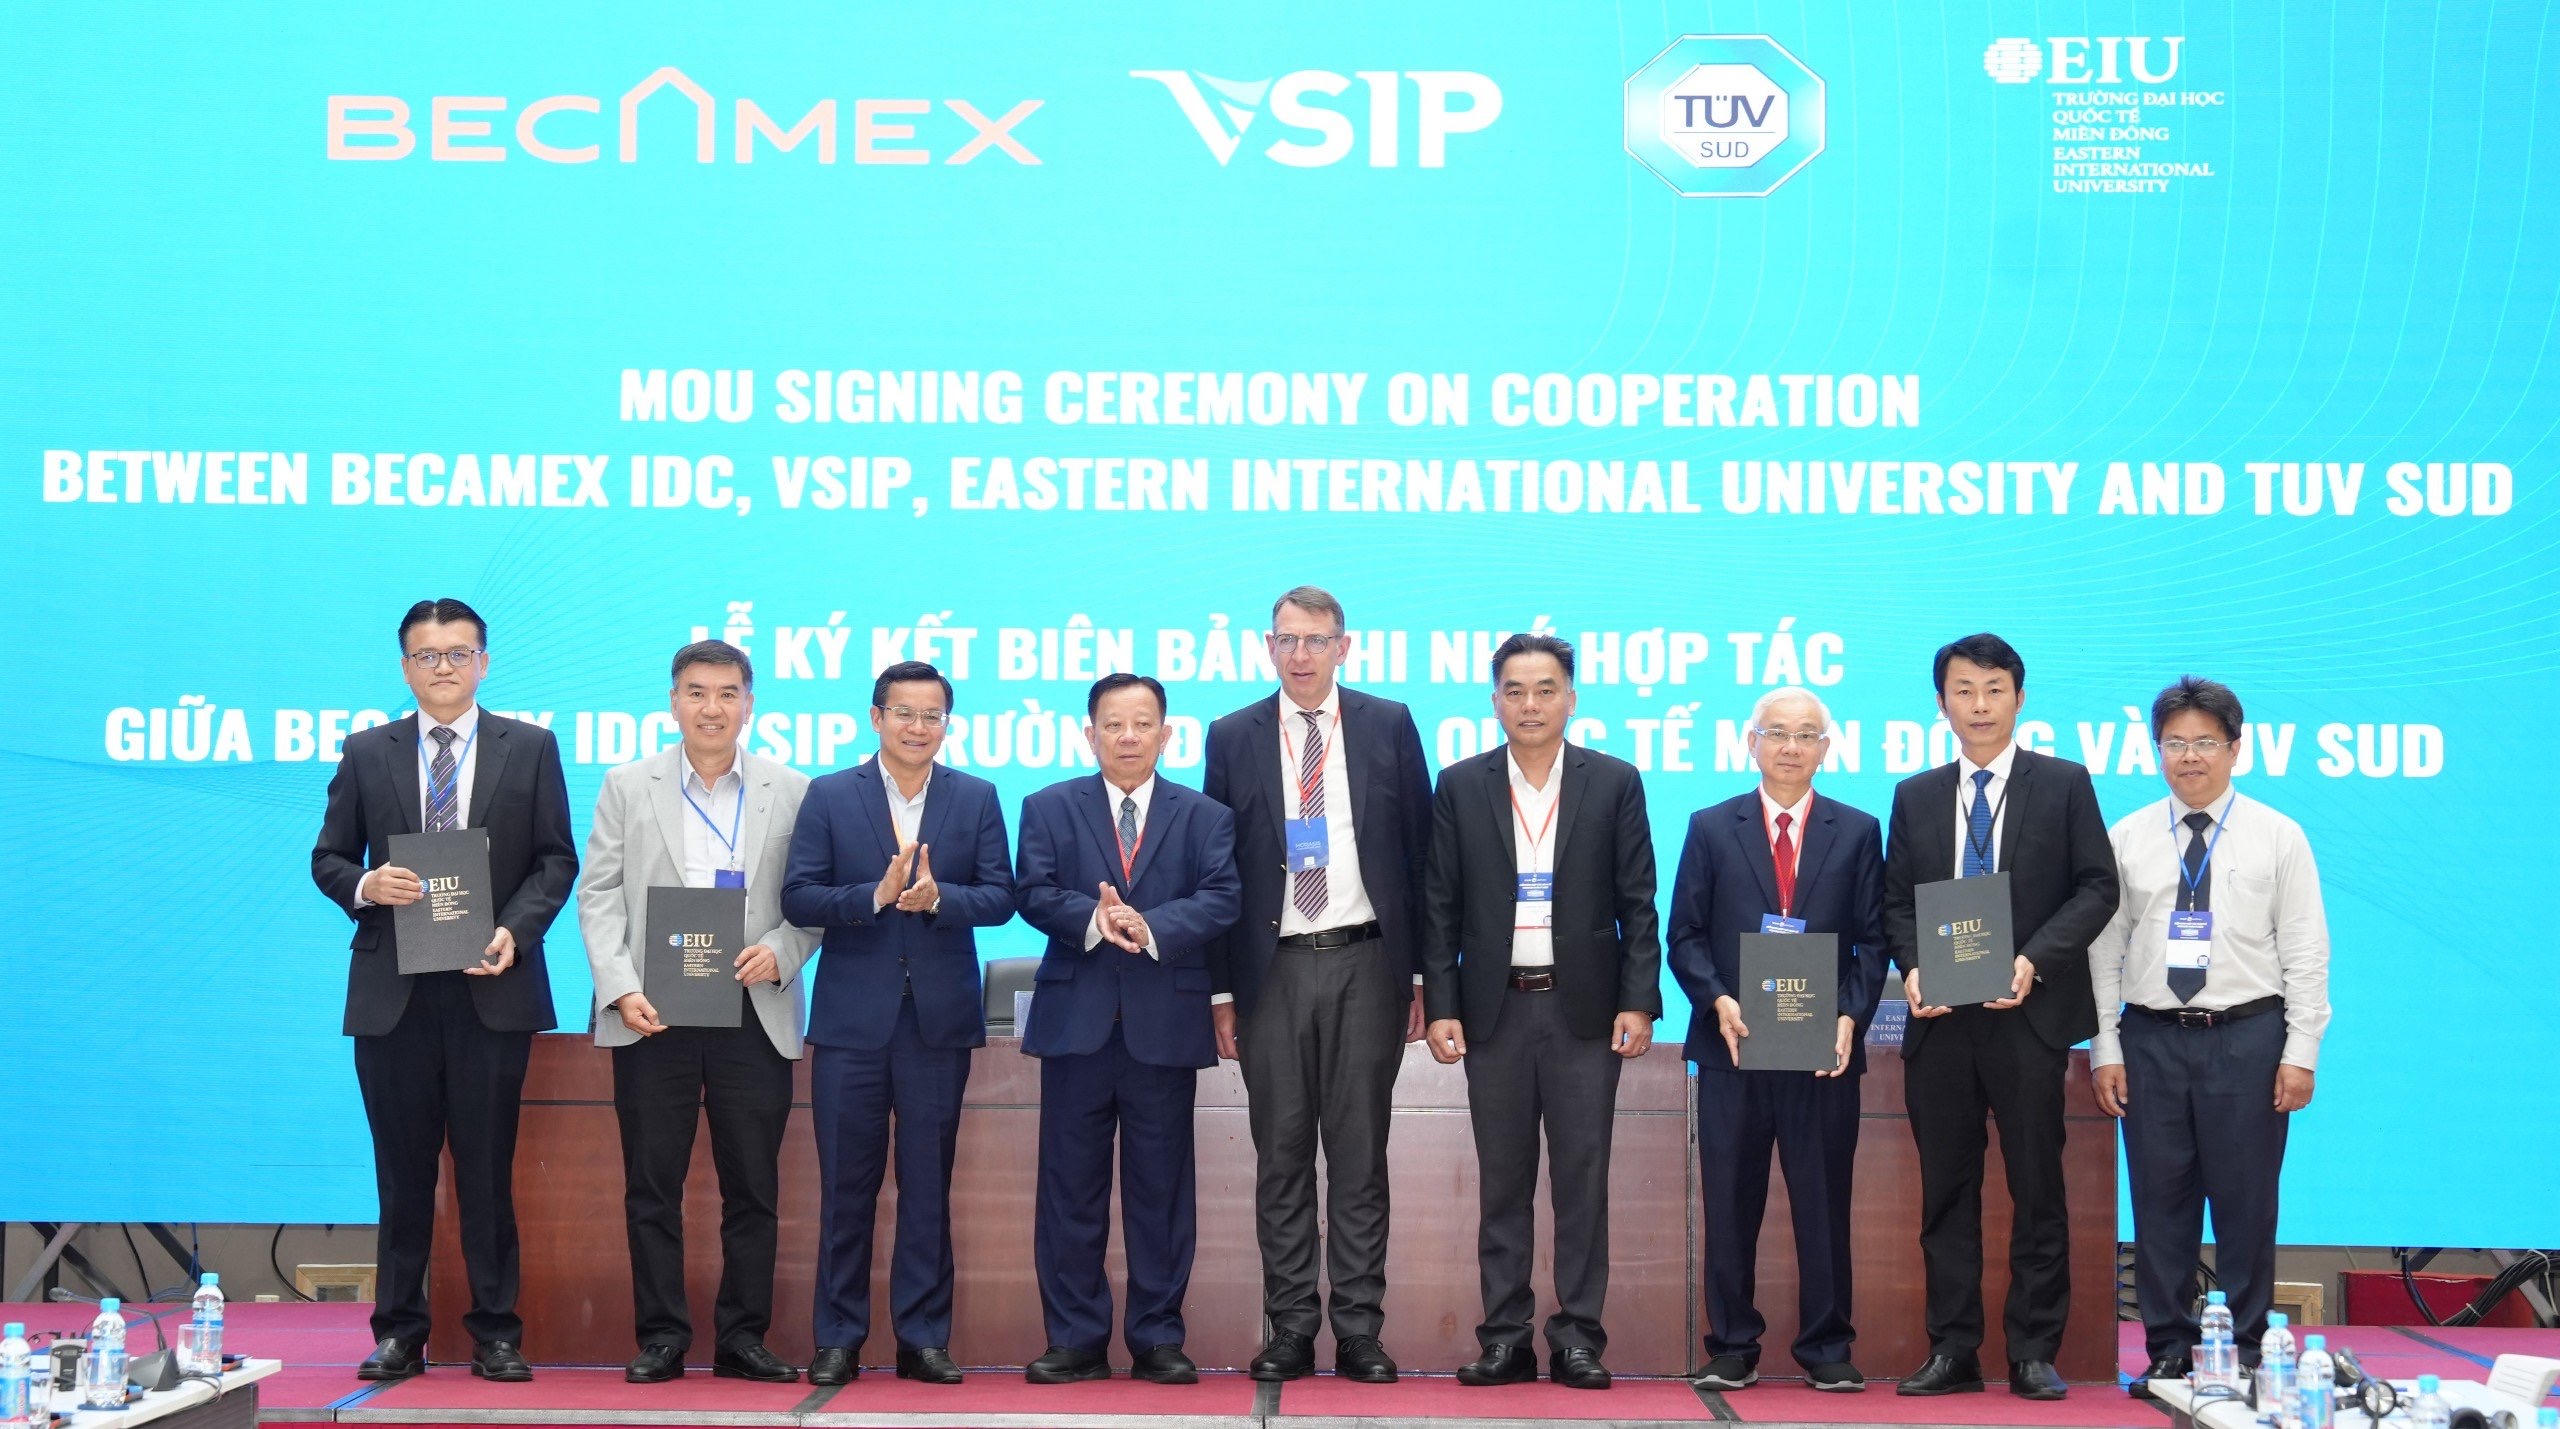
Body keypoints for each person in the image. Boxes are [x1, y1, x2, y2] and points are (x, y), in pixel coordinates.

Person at [310, 598, 578, 1383]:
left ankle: (496, 1332)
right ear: (405, 667)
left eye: (459, 653)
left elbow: (555, 859)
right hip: (393, 992)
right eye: (427, 655)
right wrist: (368, 884)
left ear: (483, 662)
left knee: (487, 1171)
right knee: (402, 1174)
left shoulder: (530, 747)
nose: (444, 667)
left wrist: (515, 931)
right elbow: (328, 857)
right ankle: (399, 1330)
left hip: (490, 986)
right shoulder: (367, 751)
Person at [1201, 586, 1432, 1385]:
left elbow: (1420, 855)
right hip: (1272, 971)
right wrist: (1221, 993)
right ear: (1268, 646)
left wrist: (1420, 975)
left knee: (1360, 1155)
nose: (1301, 654)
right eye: (1287, 639)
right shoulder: (1231, 734)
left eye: (1316, 639)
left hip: (1366, 962)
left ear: (1344, 646)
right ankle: (1292, 1326)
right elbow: (1218, 873)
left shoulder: (1388, 723)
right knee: (1283, 1155)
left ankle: (1360, 1330)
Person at [1420, 633, 1661, 1392]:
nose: (1531, 703)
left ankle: (1579, 1337)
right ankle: (1505, 1338)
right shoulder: (1461, 784)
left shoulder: (1614, 780)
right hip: (1494, 1012)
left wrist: (1638, 999)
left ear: (1571, 698)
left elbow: (1638, 903)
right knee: (1503, 1183)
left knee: (1582, 1182)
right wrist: (1441, 1004)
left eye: (1546, 688)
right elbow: (1439, 905)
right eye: (1515, 690)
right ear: (1495, 701)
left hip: (1584, 1012)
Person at [1883, 633, 2118, 1401]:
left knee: (2037, 1187)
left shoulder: (2064, 783)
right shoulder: (1916, 795)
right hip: (1942, 1021)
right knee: (1946, 1194)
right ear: (1941, 702)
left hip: (2028, 1016)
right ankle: (1953, 1348)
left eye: (1993, 689)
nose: (1978, 704)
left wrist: (2033, 959)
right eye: (1963, 690)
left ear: (2019, 697)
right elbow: (1894, 902)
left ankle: (2033, 1349)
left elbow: (2097, 887)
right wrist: (1913, 968)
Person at [578, 640, 817, 1385]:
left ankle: (743, 1337)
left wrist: (782, 948)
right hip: (654, 1008)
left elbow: (812, 899)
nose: (712, 707)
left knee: (753, 1188)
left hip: (753, 1005)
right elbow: (599, 893)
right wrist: (620, 987)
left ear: (750, 703)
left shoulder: (793, 788)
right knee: (653, 1186)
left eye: (727, 693)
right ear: (673, 700)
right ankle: (662, 1337)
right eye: (696, 692)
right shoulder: (627, 783)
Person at [2091, 678, 2329, 1396]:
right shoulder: (2128, 837)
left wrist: (2301, 1051)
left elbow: (2306, 951)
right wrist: (2106, 1044)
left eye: (2204, 742)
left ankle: (2248, 1346)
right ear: (2156, 750)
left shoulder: (2278, 835)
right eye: (2175, 743)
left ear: (2235, 748)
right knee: (2159, 1200)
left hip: (2247, 1035)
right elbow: (2105, 949)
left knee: (2246, 1200)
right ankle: (2167, 1345)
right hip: (2152, 1037)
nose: (2189, 756)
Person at [780, 660, 1015, 1387]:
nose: (918, 726)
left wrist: (942, 899)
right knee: (845, 1190)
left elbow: (1001, 896)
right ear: (876, 717)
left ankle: (923, 1337)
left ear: (947, 722)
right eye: (904, 712)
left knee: (927, 1187)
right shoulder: (829, 794)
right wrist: (872, 896)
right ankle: (837, 1338)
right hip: (851, 1024)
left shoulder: (976, 796)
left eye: (932, 714)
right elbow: (799, 895)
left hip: (937, 1024)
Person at [1014, 674, 1242, 1385]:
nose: (1128, 736)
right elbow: (1032, 891)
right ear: (1090, 734)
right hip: (1075, 1024)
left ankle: (1157, 1337)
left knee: (1160, 1192)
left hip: (1164, 1027)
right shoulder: (1048, 806)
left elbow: (1223, 897)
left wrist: (1150, 925)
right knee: (1069, 1190)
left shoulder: (1205, 815)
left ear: (1166, 735)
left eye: (1143, 723)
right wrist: (1094, 918)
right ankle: (1075, 1338)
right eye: (1113, 724)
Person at [1666, 688, 1884, 1393]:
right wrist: (1718, 1000)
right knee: (1731, 1202)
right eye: (1777, 732)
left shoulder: (1858, 830)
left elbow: (1874, 941)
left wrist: (1849, 1015)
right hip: (1734, 1045)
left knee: (1824, 1201)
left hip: (1824, 1051)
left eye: (1806, 734)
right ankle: (1732, 1344)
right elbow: (1684, 934)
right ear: (1750, 741)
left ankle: (1827, 1344)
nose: (1791, 746)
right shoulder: (1710, 826)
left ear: (1826, 747)